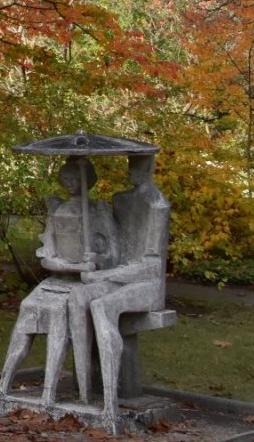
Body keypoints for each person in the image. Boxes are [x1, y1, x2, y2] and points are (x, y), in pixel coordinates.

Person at [0, 157, 117, 404]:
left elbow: (114, 255)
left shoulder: (98, 211)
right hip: (58, 280)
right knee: (27, 307)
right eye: (67, 179)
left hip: (90, 284)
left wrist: (96, 259)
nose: (71, 184)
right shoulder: (58, 211)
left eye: (76, 179)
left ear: (88, 181)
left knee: (62, 312)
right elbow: (47, 258)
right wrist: (68, 265)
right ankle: (5, 384)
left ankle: (52, 391)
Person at [73, 154, 170, 419]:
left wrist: (110, 274)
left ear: (149, 167)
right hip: (118, 277)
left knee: (103, 306)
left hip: (146, 285)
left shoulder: (157, 206)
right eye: (129, 165)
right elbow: (115, 251)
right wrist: (99, 258)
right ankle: (83, 391)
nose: (130, 171)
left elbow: (150, 266)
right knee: (78, 297)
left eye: (137, 166)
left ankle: (110, 397)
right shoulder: (120, 200)